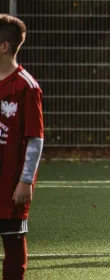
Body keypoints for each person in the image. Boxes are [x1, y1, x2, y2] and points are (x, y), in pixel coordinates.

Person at [0, 14, 44, 279]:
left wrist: (25, 181)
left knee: (13, 244)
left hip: (10, 183)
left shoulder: (26, 87)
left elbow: (35, 138)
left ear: (3, 46)